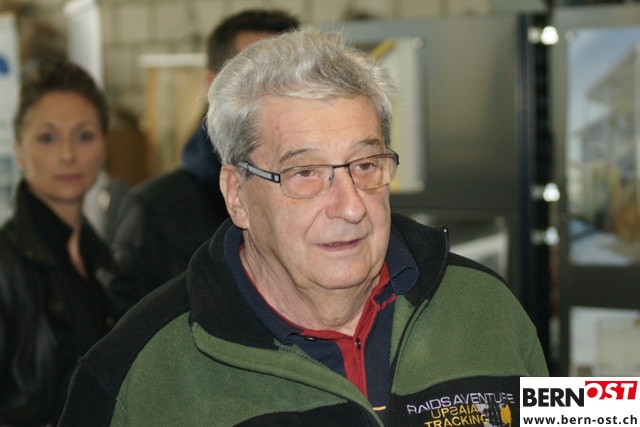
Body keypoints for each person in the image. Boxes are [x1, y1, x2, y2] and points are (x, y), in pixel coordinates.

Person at [59, 28, 548, 426]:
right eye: (305, 173)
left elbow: (580, 414)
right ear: (237, 195)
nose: (350, 207)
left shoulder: (489, 307)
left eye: (365, 165)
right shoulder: (135, 373)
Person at [109, 9, 300, 316]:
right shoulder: (155, 210)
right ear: (213, 86)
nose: (275, 96)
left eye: (290, 79)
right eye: (255, 80)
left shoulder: (331, 198)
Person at [0, 60, 119, 425]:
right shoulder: (6, 263)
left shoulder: (100, 260)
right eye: (47, 138)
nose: (68, 155)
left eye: (84, 136)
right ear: (19, 151)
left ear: (103, 148)